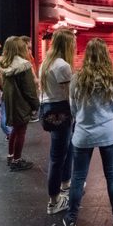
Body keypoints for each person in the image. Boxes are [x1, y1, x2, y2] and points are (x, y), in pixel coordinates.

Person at [62, 38, 113, 226]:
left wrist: (83, 118)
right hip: (109, 133)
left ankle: (71, 219)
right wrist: (109, 120)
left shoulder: (77, 79)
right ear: (106, 55)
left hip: (82, 133)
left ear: (87, 55)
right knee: (112, 175)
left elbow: (73, 108)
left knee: (77, 177)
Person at [39, 28, 76, 215]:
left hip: (48, 108)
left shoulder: (47, 62)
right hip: (60, 110)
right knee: (57, 156)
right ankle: (54, 201)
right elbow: (69, 95)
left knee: (66, 149)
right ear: (68, 44)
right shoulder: (62, 66)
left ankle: (66, 184)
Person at [0, 36, 40, 171]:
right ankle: (17, 160)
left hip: (10, 101)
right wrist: (36, 105)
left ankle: (11, 156)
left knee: (15, 131)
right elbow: (29, 89)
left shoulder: (3, 63)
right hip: (21, 103)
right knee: (20, 132)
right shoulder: (24, 65)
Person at [20, 35, 40, 122]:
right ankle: (32, 114)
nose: (31, 43)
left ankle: (31, 113)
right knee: (32, 94)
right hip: (30, 77)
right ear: (26, 42)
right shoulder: (25, 52)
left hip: (30, 75)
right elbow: (29, 65)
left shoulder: (27, 51)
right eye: (30, 41)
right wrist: (35, 77)